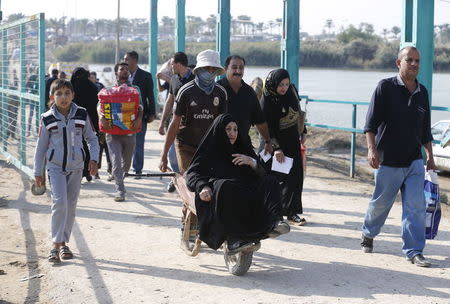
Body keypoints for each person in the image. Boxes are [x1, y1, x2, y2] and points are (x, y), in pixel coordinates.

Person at [360, 46, 436, 267]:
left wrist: (430, 156)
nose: (414, 64)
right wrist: (371, 149)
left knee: (415, 206)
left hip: (414, 160)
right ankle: (368, 232)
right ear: (398, 63)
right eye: (409, 60)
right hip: (389, 160)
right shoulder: (385, 87)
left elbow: (425, 130)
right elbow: (370, 124)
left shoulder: (422, 92)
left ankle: (414, 251)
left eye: (417, 61)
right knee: (381, 203)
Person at [185, 114, 290, 251]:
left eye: (235, 129)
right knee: (226, 186)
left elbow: (263, 174)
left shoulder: (242, 148)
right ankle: (234, 239)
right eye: (228, 129)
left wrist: (252, 162)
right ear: (220, 130)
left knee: (271, 181)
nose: (232, 133)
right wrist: (202, 186)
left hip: (244, 191)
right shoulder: (209, 150)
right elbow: (192, 173)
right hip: (221, 193)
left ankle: (274, 222)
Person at [33, 79, 99, 263]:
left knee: (70, 206)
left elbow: (92, 139)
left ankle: (64, 244)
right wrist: (37, 172)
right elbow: (41, 147)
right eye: (59, 94)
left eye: (66, 93)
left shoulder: (82, 114)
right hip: (55, 168)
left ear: (73, 95)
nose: (63, 97)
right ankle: (55, 245)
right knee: (59, 202)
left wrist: (94, 159)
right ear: (52, 97)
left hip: (76, 168)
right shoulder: (47, 118)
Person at [159, 49, 227, 174]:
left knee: (207, 184)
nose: (210, 72)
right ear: (199, 69)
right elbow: (174, 123)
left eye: (214, 69)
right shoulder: (186, 91)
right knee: (191, 181)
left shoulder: (221, 93)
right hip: (186, 146)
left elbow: (223, 124)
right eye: (207, 68)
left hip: (209, 147)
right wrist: (164, 155)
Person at [261, 68, 307, 225]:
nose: (284, 88)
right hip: (273, 143)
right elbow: (265, 126)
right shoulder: (267, 99)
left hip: (292, 141)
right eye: (280, 84)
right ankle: (272, 212)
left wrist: (303, 131)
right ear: (273, 84)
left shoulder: (291, 92)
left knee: (294, 177)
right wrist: (277, 148)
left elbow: (297, 113)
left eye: (286, 84)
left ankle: (292, 212)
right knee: (273, 179)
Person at [99, 62, 143, 202]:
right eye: (121, 69)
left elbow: (140, 106)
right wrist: (102, 117)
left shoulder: (135, 90)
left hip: (130, 131)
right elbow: (99, 106)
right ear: (116, 73)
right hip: (112, 133)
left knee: (127, 163)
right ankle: (120, 190)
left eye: (126, 69)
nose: (124, 71)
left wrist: (139, 119)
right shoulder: (108, 91)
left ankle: (119, 175)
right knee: (116, 161)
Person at [217, 55, 272, 154]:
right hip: (219, 146)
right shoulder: (217, 89)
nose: (238, 71)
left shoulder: (249, 92)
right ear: (225, 69)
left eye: (241, 68)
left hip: (243, 146)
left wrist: (268, 141)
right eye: (234, 67)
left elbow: (260, 120)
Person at [158, 52, 195, 192]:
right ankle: (175, 179)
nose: (170, 66)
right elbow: (169, 101)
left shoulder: (195, 79)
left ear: (178, 64)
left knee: (189, 157)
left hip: (192, 127)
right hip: (175, 125)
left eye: (172, 63)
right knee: (172, 156)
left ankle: (188, 183)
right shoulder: (174, 79)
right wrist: (162, 122)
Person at [123, 51, 155, 178]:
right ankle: (124, 168)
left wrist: (152, 113)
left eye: (127, 59)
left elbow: (150, 96)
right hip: (124, 115)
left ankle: (137, 169)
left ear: (134, 60)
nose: (125, 61)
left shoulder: (146, 76)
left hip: (140, 115)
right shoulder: (122, 75)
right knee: (124, 142)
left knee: (139, 142)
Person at [71, 67, 100, 182]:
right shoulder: (92, 87)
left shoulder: (71, 86)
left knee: (78, 145)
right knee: (89, 146)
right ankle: (87, 171)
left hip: (75, 121)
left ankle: (82, 171)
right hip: (91, 120)